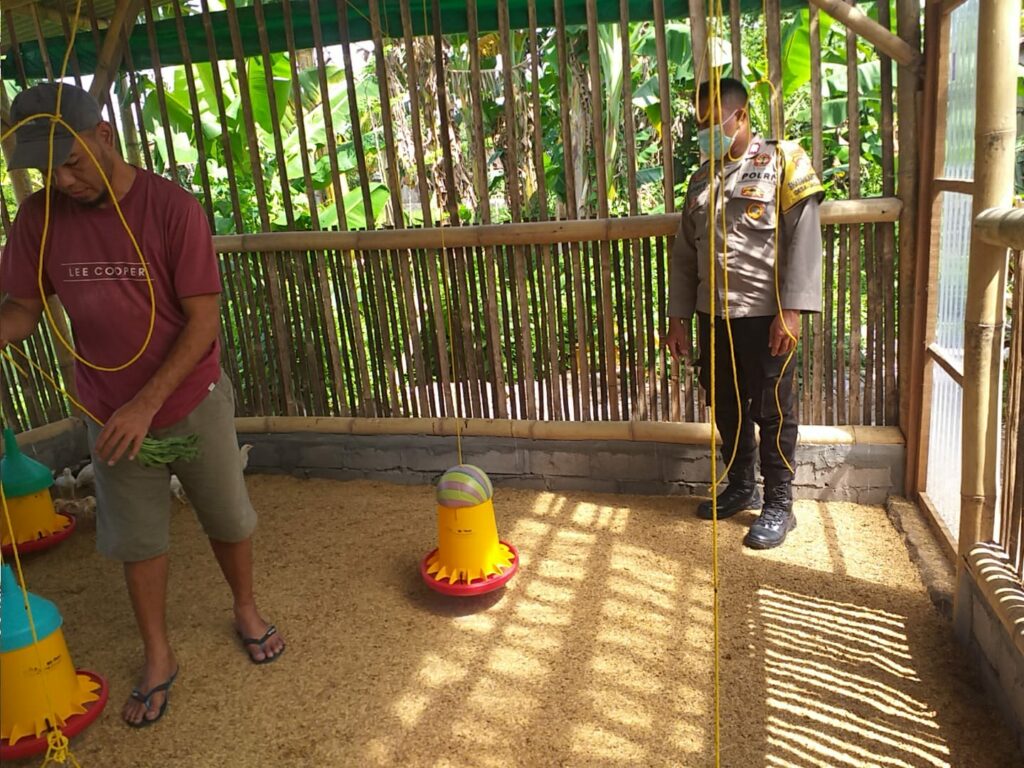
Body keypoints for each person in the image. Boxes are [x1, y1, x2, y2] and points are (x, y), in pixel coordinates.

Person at [0, 83, 285, 727]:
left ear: (104, 134)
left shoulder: (173, 209)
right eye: (50, 170)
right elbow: (21, 309)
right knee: (136, 537)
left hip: (189, 398)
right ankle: (159, 654)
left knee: (229, 517)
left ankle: (244, 606)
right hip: (109, 411)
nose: (64, 181)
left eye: (73, 161)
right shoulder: (39, 220)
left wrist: (145, 405)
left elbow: (203, 322)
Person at [665, 77, 824, 550]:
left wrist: (790, 311)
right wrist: (678, 318)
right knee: (728, 406)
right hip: (715, 315)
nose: (705, 132)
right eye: (700, 125)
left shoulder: (783, 160)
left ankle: (779, 503)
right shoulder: (701, 178)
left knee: (773, 410)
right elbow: (684, 256)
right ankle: (741, 485)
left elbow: (804, 238)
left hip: (766, 316)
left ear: (739, 116)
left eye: (712, 122)